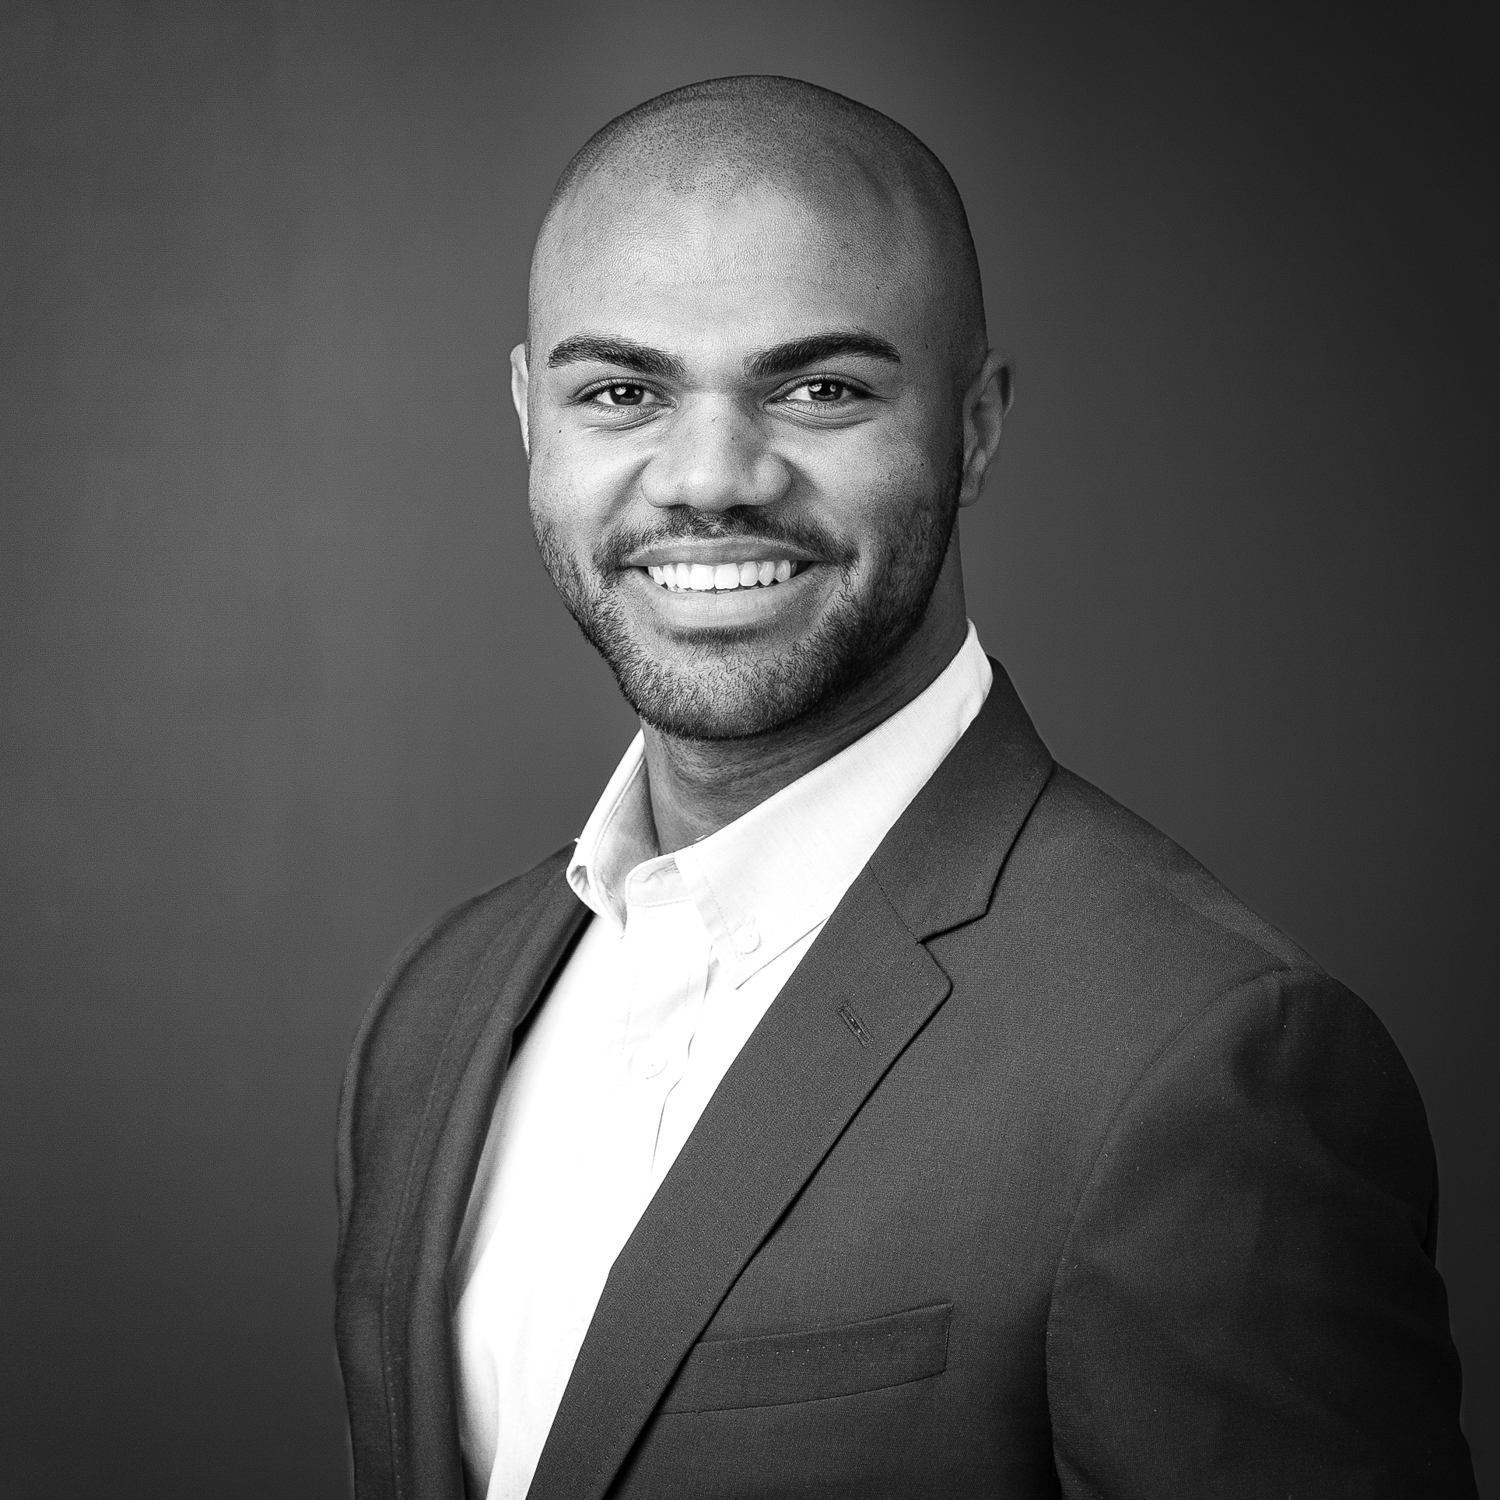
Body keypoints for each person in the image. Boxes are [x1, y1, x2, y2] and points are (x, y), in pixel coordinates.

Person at [333, 76, 1476, 1500]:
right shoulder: (432, 1016)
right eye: (622, 392)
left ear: (974, 426)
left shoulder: (1204, 1066)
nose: (709, 478)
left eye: (818, 390)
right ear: (528, 415)